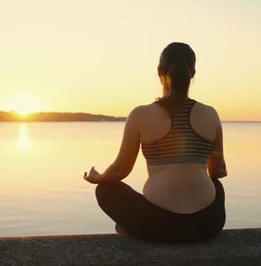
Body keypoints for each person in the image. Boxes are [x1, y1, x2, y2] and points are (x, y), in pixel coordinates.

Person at [83, 42, 227, 243]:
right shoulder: (210, 114)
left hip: (157, 224)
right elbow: (218, 170)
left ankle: (130, 227)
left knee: (106, 190)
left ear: (160, 71)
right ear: (192, 73)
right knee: (216, 186)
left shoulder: (141, 114)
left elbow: (119, 171)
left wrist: (98, 178)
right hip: (207, 225)